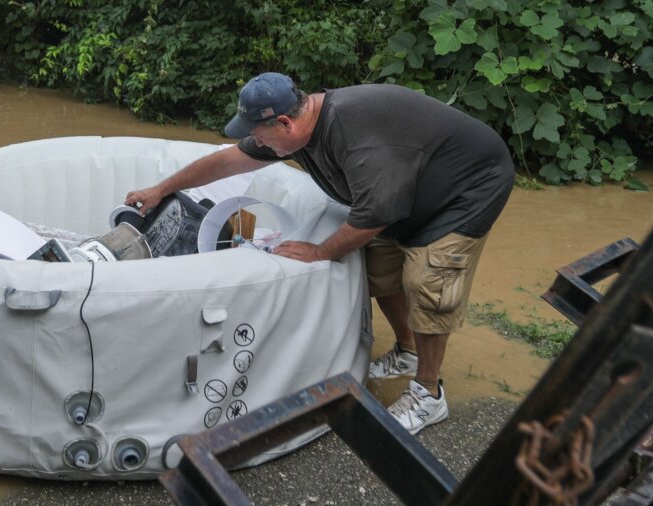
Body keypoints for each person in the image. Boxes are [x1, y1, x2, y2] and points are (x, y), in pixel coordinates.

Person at [125, 72, 514, 434]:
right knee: (377, 268)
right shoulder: (293, 129)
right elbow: (228, 160)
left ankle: (429, 393)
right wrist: (161, 189)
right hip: (409, 184)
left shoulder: (353, 134)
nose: (258, 143)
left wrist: (320, 251)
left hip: (468, 188)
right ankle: (407, 351)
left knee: (427, 282)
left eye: (260, 135)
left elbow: (373, 215)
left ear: (284, 124)